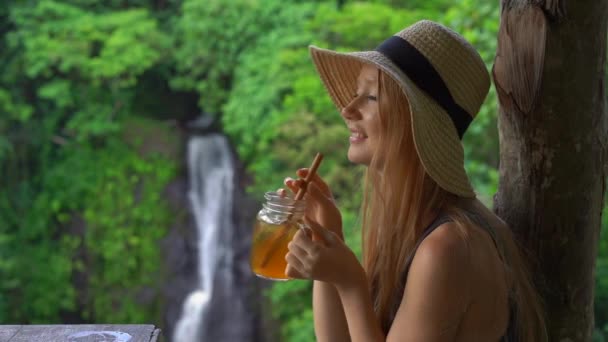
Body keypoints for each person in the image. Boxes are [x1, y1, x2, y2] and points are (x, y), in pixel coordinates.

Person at [278, 20, 548, 341]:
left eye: (372, 97)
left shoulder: (447, 247)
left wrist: (351, 282)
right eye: (356, 94)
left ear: (416, 122)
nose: (348, 110)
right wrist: (328, 236)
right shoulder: (415, 226)